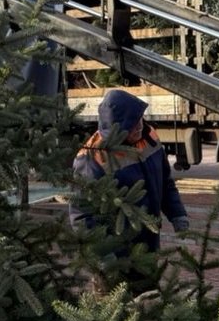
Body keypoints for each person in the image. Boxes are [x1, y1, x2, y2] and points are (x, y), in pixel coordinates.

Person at [70, 89, 189, 251]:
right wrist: (103, 257)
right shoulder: (91, 159)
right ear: (116, 128)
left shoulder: (149, 137)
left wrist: (177, 213)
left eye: (140, 118)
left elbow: (165, 181)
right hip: (117, 251)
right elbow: (83, 216)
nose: (139, 126)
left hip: (150, 238)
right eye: (132, 124)